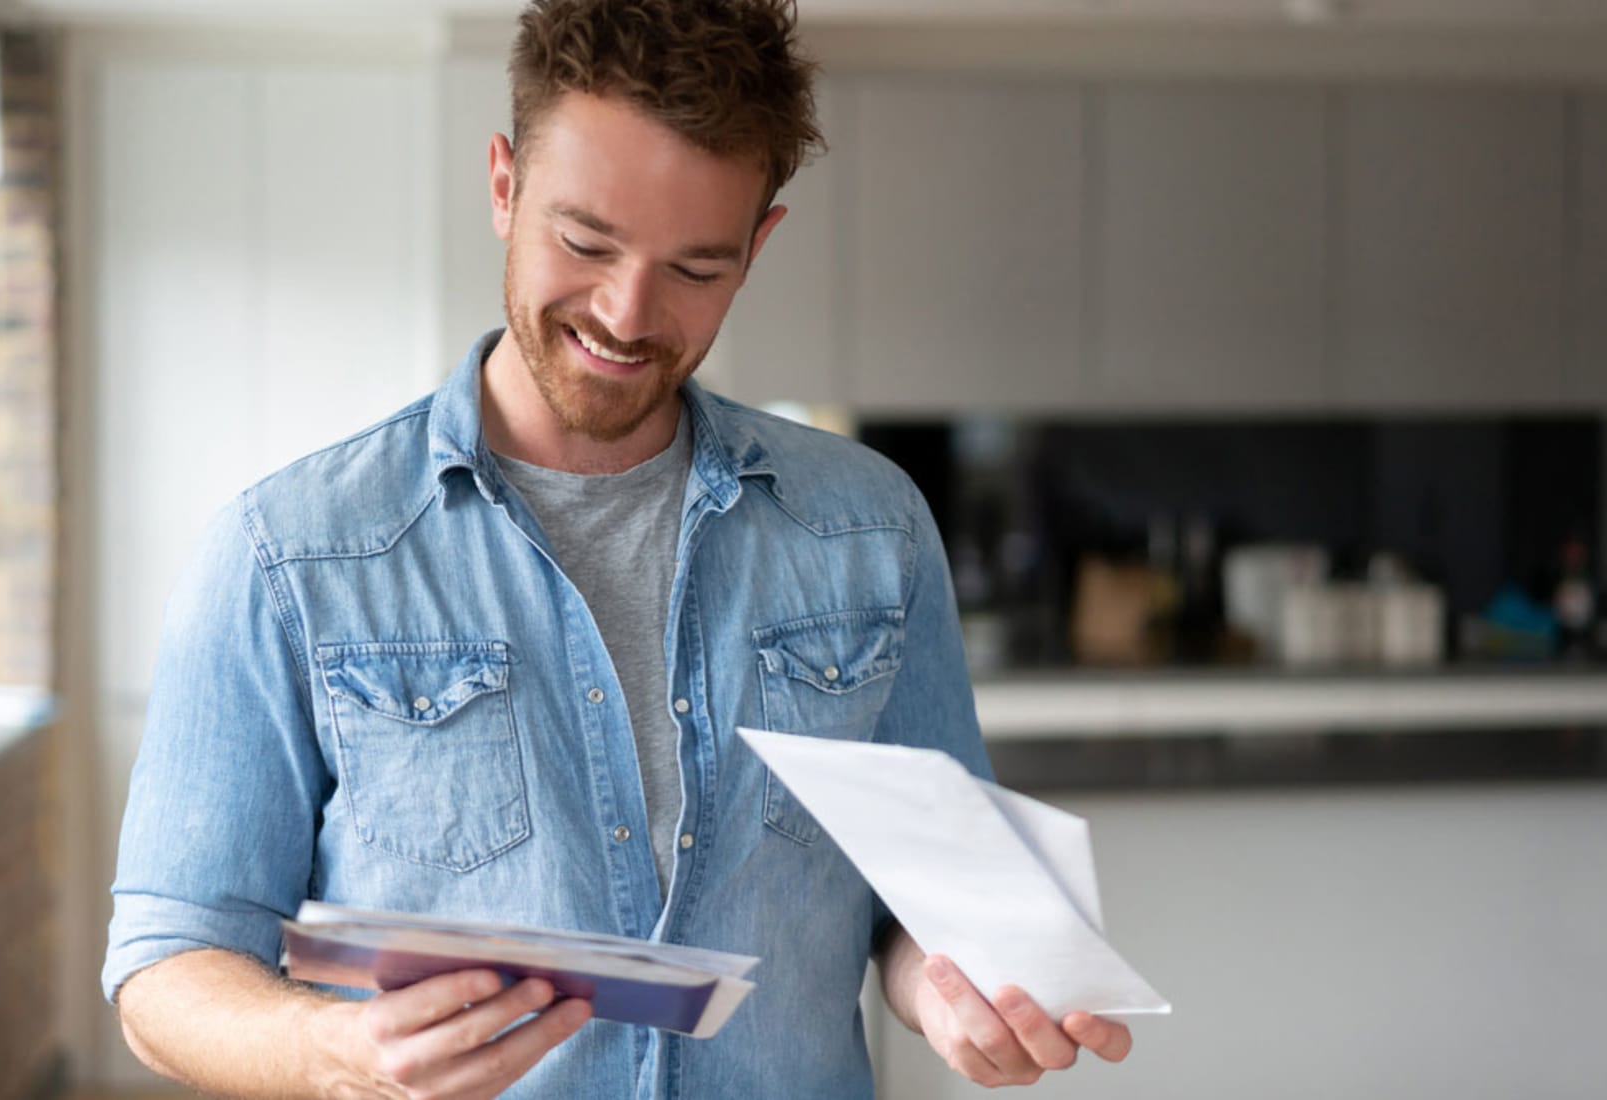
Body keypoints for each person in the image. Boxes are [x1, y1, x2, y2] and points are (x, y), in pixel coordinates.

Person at [102, 1, 1134, 1096]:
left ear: (760, 243)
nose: (626, 313)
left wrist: (952, 990)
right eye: (585, 241)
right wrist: (330, 1051)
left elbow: (921, 909)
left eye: (695, 267)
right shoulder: (288, 555)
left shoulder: (871, 529)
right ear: (504, 185)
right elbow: (166, 964)